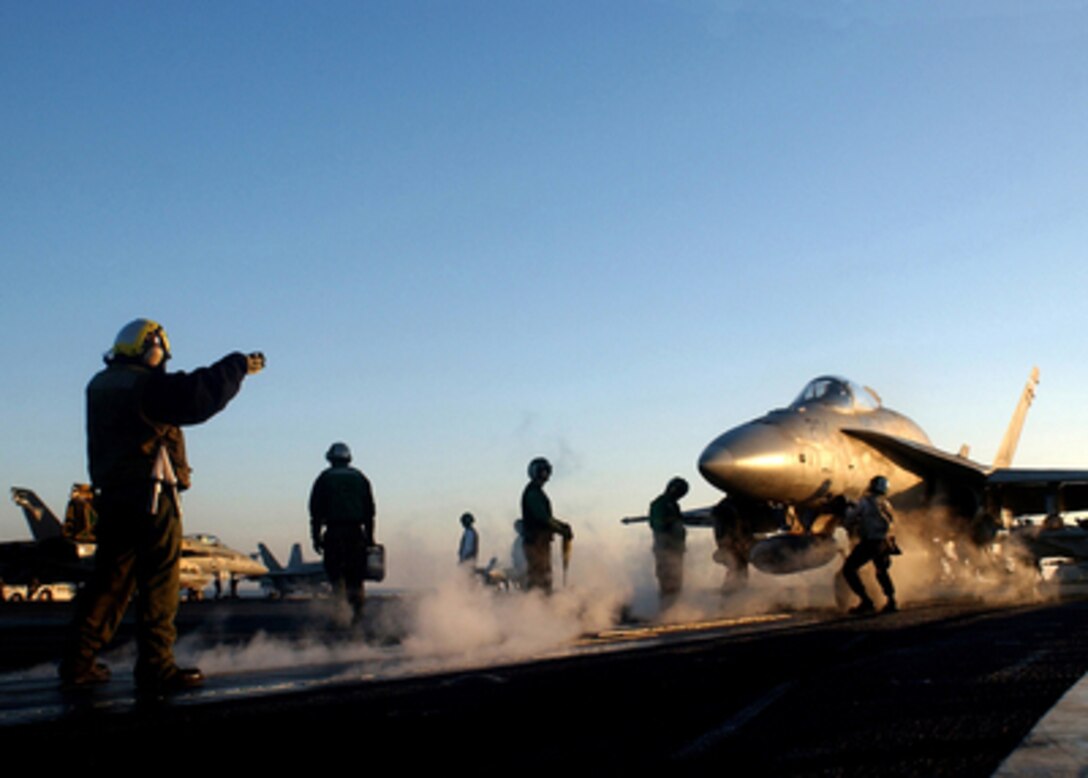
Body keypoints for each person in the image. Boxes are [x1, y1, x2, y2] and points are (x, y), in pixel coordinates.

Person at [60, 318, 263, 693]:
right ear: (150, 347)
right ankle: (156, 667)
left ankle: (78, 661)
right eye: (159, 350)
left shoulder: (101, 385)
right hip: (151, 496)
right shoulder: (146, 386)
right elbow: (197, 396)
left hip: (113, 496)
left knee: (110, 582)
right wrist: (237, 366)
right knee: (160, 581)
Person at [310, 442, 376, 623]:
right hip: (356, 534)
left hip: (334, 533)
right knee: (356, 577)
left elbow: (315, 512)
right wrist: (370, 538)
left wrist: (316, 537)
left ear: (330, 459)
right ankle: (357, 615)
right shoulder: (360, 478)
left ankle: (339, 616)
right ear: (348, 458)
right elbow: (370, 511)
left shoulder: (324, 478)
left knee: (336, 577)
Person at [841, 475, 899, 615]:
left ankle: (866, 601)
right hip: (884, 542)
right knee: (881, 571)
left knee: (849, 570)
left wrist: (847, 508)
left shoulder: (865, 502)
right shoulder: (886, 504)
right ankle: (891, 601)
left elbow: (849, 519)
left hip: (871, 542)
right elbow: (893, 523)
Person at [520, 457, 572, 593]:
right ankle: (536, 607)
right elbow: (543, 518)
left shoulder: (537, 492)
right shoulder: (533, 493)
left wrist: (562, 526)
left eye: (547, 472)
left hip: (540, 542)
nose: (546, 476)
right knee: (539, 578)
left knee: (543, 576)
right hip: (535, 542)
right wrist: (561, 530)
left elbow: (547, 518)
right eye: (543, 472)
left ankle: (539, 606)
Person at [649, 477, 688, 607]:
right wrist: (673, 521)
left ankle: (674, 608)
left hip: (675, 550)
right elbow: (658, 525)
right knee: (667, 581)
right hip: (665, 549)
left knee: (676, 581)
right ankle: (667, 610)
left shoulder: (673, 504)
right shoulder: (660, 504)